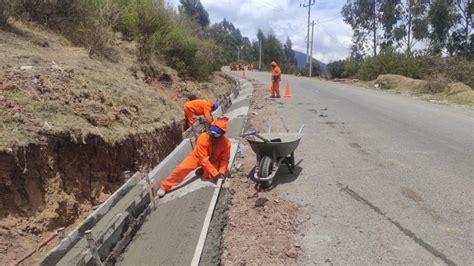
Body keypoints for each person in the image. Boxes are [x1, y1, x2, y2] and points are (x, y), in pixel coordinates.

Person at [158, 117, 231, 197]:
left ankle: (203, 171)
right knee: (182, 168)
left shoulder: (226, 143)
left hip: (213, 160)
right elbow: (204, 159)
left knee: (210, 175)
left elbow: (224, 160)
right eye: (211, 132)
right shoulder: (203, 138)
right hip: (197, 157)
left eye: (215, 134)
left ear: (221, 134)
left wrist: (221, 172)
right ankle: (165, 186)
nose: (212, 135)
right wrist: (214, 173)